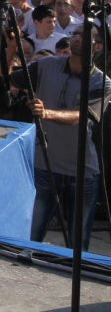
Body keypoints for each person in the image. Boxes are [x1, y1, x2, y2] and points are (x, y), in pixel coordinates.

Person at [11, 33, 111, 250]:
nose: (77, 38)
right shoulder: (47, 64)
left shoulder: (102, 82)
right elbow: (13, 79)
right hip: (44, 165)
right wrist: (9, 47)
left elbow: (82, 115)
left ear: (98, 46)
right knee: (31, 234)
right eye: (76, 33)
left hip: (82, 171)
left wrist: (46, 114)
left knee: (78, 245)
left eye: (84, 35)